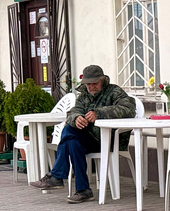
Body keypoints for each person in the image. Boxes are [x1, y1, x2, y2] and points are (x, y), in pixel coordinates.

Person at [30, 64, 136, 203]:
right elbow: (73, 112)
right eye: (88, 84)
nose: (91, 87)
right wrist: (76, 119)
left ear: (103, 80)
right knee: (72, 140)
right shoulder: (84, 95)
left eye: (95, 83)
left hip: (109, 140)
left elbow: (128, 109)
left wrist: (99, 113)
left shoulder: (114, 91)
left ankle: (57, 176)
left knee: (69, 134)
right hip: (88, 138)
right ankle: (83, 190)